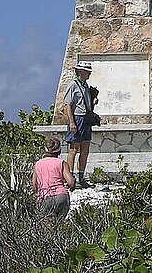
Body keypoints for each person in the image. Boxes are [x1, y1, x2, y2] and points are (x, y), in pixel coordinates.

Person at [64, 60, 98, 188]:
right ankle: (69, 178)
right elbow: (68, 105)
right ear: (81, 72)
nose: (89, 74)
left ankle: (81, 177)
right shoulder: (72, 85)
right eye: (87, 71)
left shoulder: (85, 86)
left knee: (85, 149)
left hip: (86, 119)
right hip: (77, 118)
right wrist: (72, 122)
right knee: (73, 149)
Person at [32, 137, 75, 221]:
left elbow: (34, 185)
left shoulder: (37, 164)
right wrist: (72, 186)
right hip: (61, 196)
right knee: (59, 225)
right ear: (59, 151)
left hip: (44, 197)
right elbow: (71, 182)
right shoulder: (62, 163)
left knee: (45, 226)